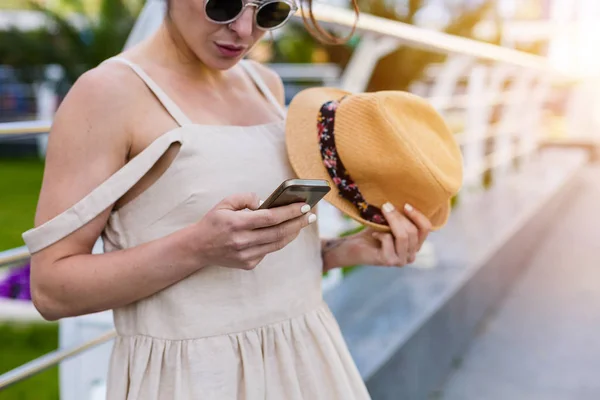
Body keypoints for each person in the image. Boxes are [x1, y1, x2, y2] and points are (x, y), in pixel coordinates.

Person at [22, 0, 434, 397]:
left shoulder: (264, 84)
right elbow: (52, 288)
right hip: (194, 378)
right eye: (224, 4)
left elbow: (250, 259)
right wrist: (196, 247)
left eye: (269, 11)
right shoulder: (106, 94)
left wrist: (348, 249)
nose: (243, 30)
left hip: (307, 359)